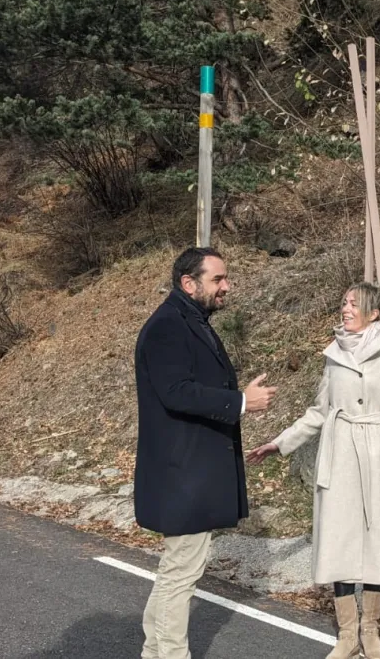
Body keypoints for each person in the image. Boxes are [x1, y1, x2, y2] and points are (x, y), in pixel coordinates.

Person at [247, 282, 380, 659]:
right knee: (340, 542)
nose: (345, 309)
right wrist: (280, 443)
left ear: (374, 312)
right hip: (341, 453)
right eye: (343, 303)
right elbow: (318, 411)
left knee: (379, 541)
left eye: (353, 304)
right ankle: (348, 635)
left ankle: (371, 632)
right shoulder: (333, 355)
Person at [133, 247, 277, 659]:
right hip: (184, 476)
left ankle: (154, 652)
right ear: (188, 283)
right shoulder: (168, 326)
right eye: (217, 279)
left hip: (188, 473)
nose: (226, 287)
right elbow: (176, 392)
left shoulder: (187, 320)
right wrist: (241, 401)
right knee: (181, 574)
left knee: (175, 572)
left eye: (225, 279)